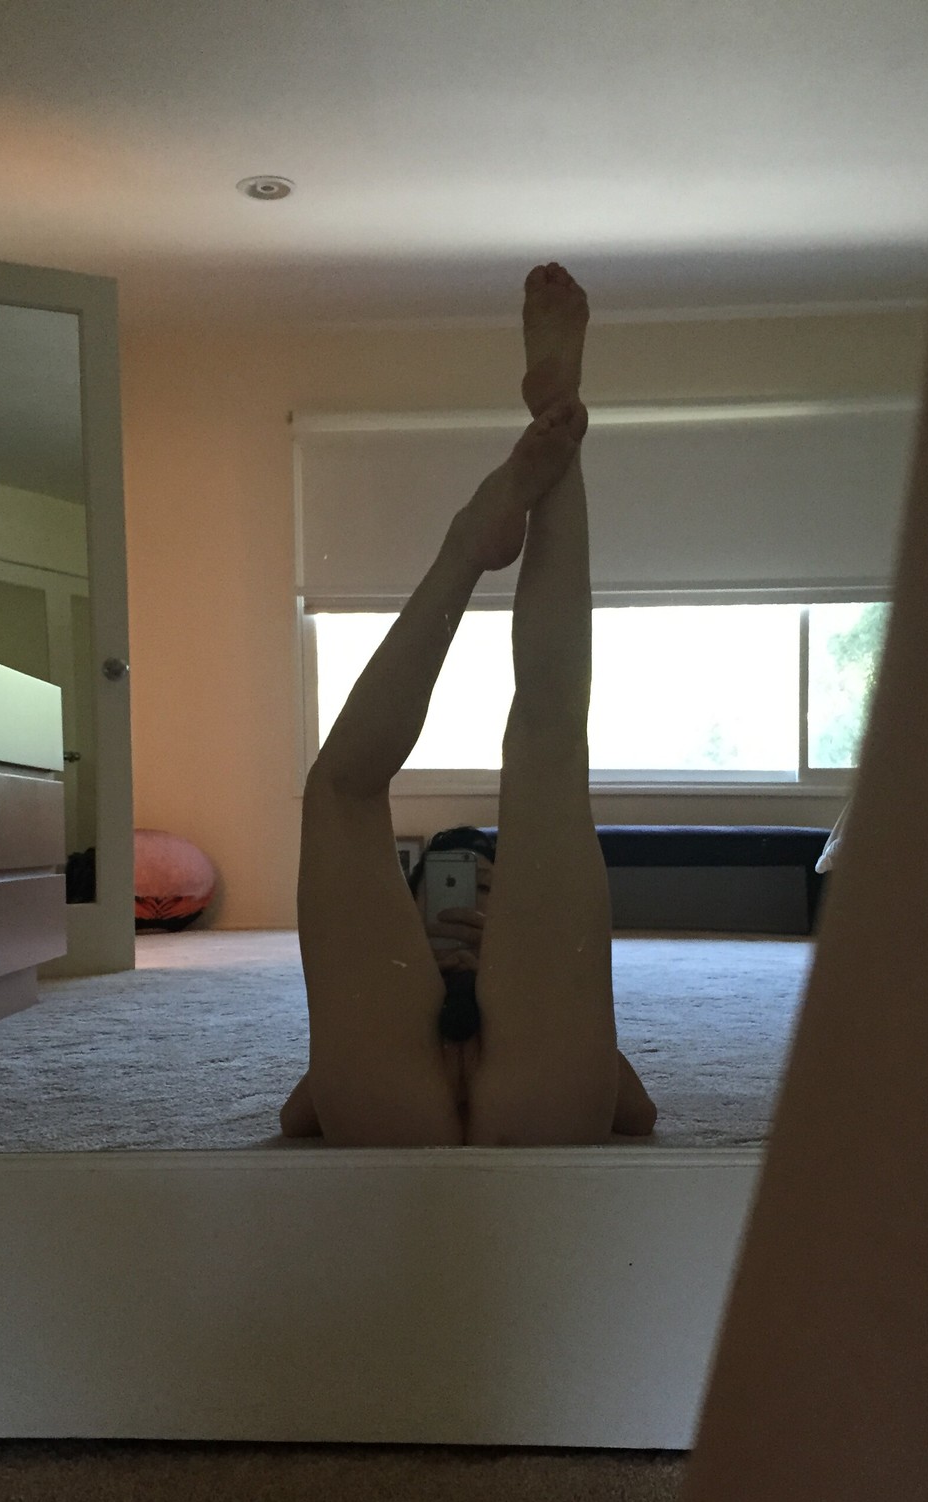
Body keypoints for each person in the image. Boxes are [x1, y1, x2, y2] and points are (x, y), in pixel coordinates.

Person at [279, 264, 656, 1147]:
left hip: (390, 1102)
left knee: (344, 789)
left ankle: (468, 546)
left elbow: (299, 1115)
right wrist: (524, 977)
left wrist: (462, 971)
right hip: (541, 1094)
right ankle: (552, 423)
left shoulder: (405, 968)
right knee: (548, 755)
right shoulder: (450, 965)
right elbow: (633, 1110)